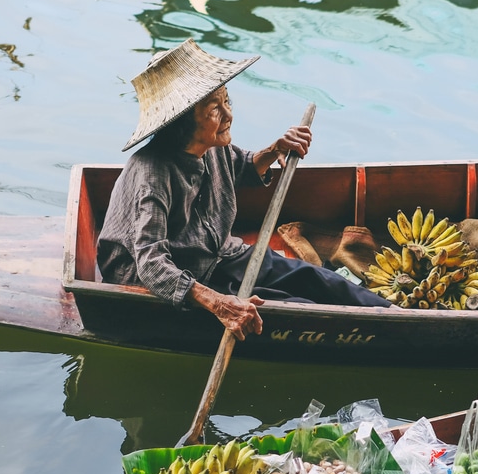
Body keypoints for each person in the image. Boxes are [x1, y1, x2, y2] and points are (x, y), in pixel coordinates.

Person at [97, 39, 390, 340]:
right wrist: (220, 304)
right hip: (176, 276)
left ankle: (398, 316)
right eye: (215, 109)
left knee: (318, 279)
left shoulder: (212, 145)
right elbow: (152, 264)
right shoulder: (151, 174)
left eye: (228, 101)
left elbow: (244, 166)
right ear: (181, 123)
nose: (228, 115)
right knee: (295, 309)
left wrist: (277, 148)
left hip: (217, 253)